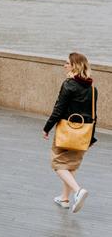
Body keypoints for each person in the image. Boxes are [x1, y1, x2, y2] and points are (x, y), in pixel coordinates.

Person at [43, 52, 97, 214]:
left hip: (67, 130)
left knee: (58, 164)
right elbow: (94, 115)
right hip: (84, 133)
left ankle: (77, 191)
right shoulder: (93, 89)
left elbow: (58, 109)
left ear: (74, 66)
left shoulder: (69, 84)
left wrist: (47, 128)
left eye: (66, 63)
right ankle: (64, 198)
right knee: (71, 165)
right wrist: (91, 137)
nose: (64, 65)